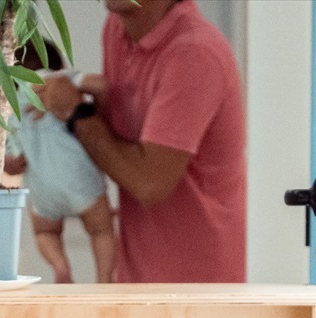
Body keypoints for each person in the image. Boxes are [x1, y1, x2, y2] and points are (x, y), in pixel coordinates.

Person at [40, 0, 247, 283]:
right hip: (137, 278)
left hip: (197, 289)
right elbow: (116, 140)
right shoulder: (116, 29)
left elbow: (149, 183)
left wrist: (77, 113)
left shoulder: (195, 52)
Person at [3, 41, 115, 284]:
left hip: (42, 187)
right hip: (79, 177)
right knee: (101, 231)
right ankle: (104, 278)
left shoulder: (8, 102)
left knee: (45, 231)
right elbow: (101, 84)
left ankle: (61, 267)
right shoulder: (54, 79)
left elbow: (13, 162)